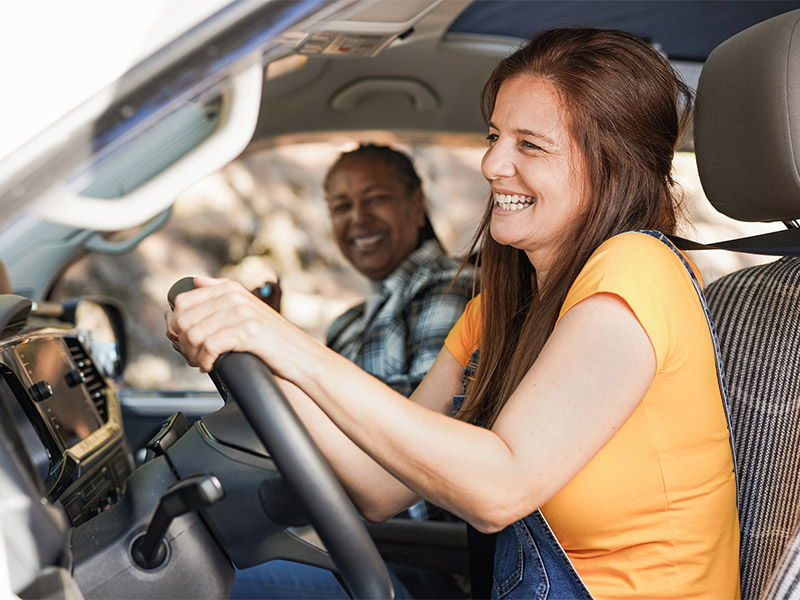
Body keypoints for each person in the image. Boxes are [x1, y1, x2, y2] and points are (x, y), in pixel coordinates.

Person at [168, 27, 740, 599]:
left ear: (609, 166)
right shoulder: (497, 313)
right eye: (495, 136)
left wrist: (288, 344)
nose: (492, 164)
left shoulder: (636, 269)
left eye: (529, 145)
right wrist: (257, 354)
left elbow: (499, 489)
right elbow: (382, 486)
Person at [235, 144, 476, 599]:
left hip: (412, 560)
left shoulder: (447, 288)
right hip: (348, 536)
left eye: (375, 198)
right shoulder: (348, 323)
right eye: (341, 206)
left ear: (416, 204)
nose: (358, 219)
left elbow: (426, 442)